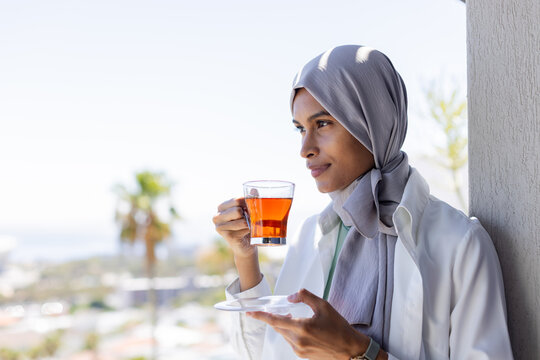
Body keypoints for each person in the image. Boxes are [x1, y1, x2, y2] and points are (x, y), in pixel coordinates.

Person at [212, 45, 513, 360]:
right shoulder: (310, 235)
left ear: (372, 121)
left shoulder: (458, 243)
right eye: (300, 129)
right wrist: (245, 257)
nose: (305, 148)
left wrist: (360, 352)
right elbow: (267, 353)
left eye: (323, 123)